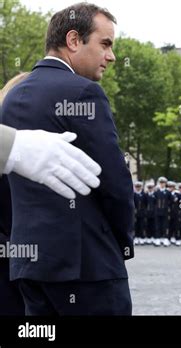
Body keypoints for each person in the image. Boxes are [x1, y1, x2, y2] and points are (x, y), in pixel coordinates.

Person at [1, 3, 134, 315]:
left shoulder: (11, 98)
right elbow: (115, 183)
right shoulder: (83, 92)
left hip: (30, 269)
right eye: (105, 43)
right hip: (87, 266)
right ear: (74, 40)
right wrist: (120, 244)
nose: (111, 56)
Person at [133, 181, 146, 245]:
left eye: (139, 187)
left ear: (141, 187)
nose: (138, 188)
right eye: (136, 187)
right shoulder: (133, 194)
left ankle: (141, 238)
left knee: (141, 225)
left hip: (142, 212)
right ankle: (136, 238)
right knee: (135, 226)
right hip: (135, 213)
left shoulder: (144, 194)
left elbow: (146, 203)